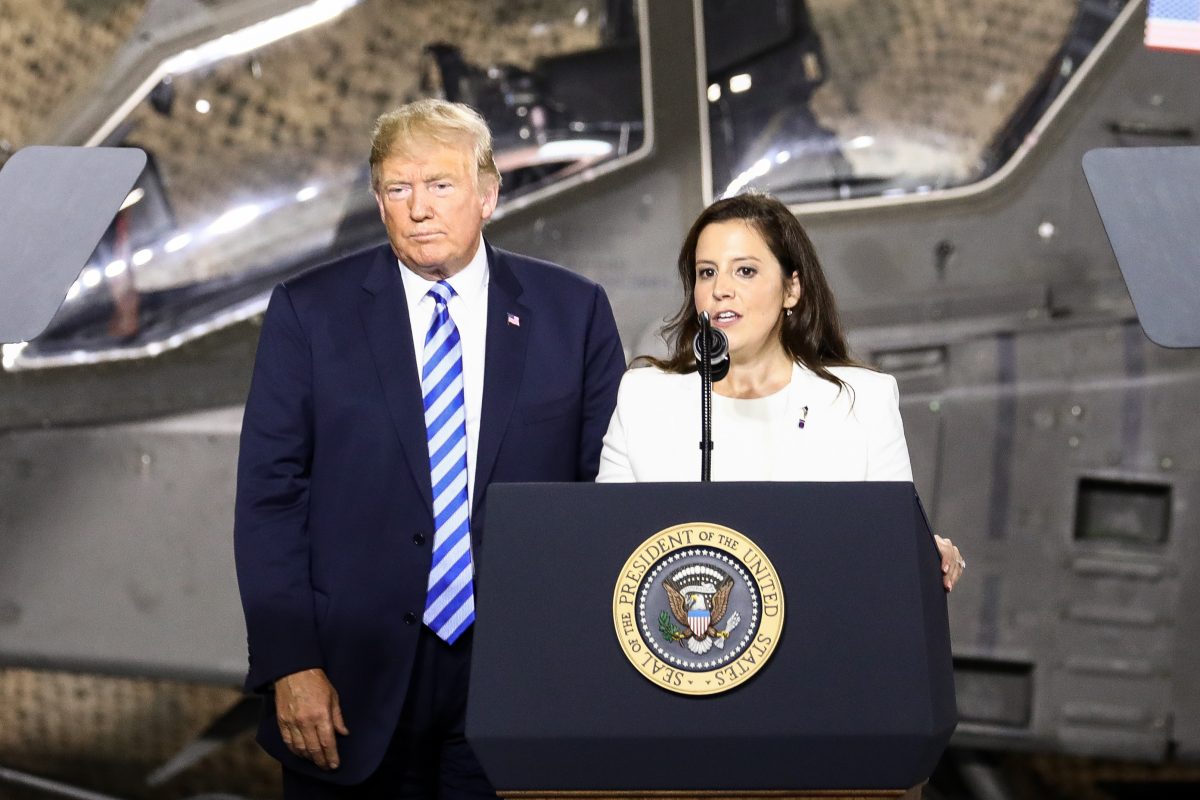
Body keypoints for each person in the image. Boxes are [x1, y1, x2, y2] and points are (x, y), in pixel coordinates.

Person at [234, 98, 626, 798]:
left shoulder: (574, 312)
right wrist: (289, 663)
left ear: (487, 194)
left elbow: (606, 500)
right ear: (378, 201)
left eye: (441, 184)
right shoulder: (309, 312)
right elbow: (269, 499)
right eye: (398, 188)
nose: (419, 208)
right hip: (349, 684)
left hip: (521, 678)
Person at [597, 192, 965, 591]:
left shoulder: (864, 402)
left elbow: (891, 546)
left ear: (792, 289)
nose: (721, 289)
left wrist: (923, 552)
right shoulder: (643, 399)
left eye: (745, 271)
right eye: (707, 272)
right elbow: (608, 552)